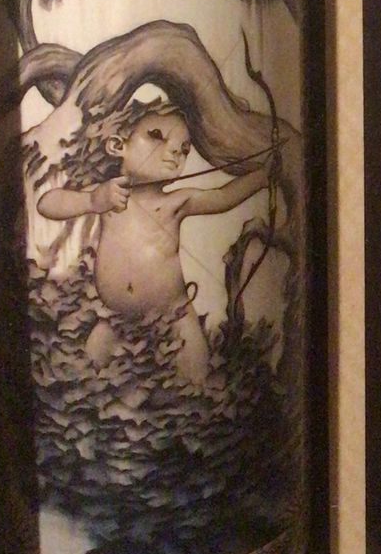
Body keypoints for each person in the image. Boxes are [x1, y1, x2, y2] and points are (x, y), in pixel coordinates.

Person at [36, 97, 270, 386]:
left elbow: (224, 197)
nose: (175, 152)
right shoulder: (106, 196)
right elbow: (47, 204)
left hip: (173, 315)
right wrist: (91, 200)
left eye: (184, 149)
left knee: (197, 378)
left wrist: (264, 175)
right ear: (117, 146)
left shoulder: (177, 202)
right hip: (115, 317)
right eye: (157, 136)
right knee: (87, 374)